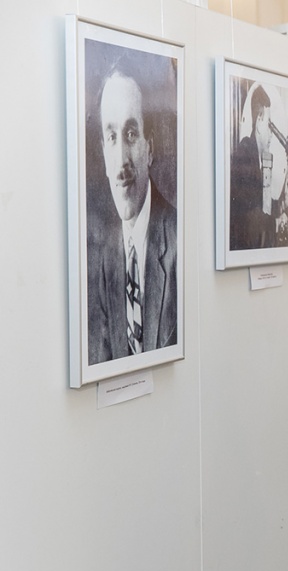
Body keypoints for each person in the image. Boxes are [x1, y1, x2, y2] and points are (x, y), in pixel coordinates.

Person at [87, 59, 178, 365]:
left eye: (130, 134)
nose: (122, 160)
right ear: (102, 150)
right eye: (112, 137)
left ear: (149, 148)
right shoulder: (103, 257)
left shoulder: (179, 242)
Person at [230, 84, 287, 250]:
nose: (271, 135)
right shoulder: (245, 150)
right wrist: (273, 221)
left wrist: (279, 213)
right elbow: (248, 214)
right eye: (269, 127)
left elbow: (268, 204)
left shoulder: (266, 156)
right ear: (258, 119)